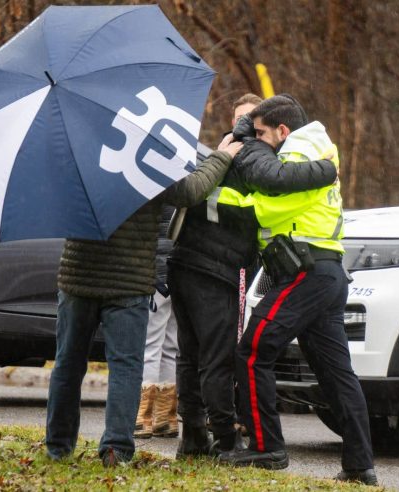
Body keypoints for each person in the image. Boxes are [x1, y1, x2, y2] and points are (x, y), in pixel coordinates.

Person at [215, 95, 377, 485]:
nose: (256, 141)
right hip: (323, 273)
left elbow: (271, 200)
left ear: (283, 131)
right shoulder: (311, 149)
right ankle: (360, 465)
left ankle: (266, 448)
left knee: (253, 352)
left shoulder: (302, 149)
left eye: (261, 134)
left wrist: (227, 191)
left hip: (307, 272)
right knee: (337, 375)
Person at [45, 143, 239, 466]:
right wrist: (222, 156)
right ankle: (116, 449)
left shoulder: (80, 147)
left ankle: (58, 447)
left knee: (67, 363)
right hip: (128, 279)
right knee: (126, 366)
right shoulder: (147, 154)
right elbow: (191, 190)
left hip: (79, 273)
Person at [168, 93, 338, 458]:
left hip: (185, 263)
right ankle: (226, 437)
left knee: (191, 354)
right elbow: (278, 179)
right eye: (248, 125)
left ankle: (194, 434)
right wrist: (328, 169)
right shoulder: (250, 158)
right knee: (217, 357)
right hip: (215, 268)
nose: (252, 134)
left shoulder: (216, 155)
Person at [134, 205, 179, 439]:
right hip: (177, 273)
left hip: (155, 275)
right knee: (170, 348)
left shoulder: (154, 184)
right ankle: (166, 419)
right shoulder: (187, 175)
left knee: (149, 346)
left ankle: (142, 418)